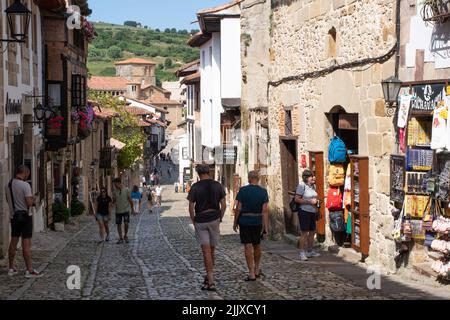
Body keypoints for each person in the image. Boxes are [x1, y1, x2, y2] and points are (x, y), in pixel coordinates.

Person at [187, 164, 226, 291]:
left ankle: (211, 281)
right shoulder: (217, 185)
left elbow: (191, 207)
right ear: (209, 172)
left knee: (206, 252)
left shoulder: (195, 187)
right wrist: (220, 217)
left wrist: (194, 221)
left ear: (198, 174)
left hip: (201, 220)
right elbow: (224, 205)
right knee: (212, 251)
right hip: (214, 218)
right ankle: (209, 277)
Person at [5, 165, 42, 278]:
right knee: (26, 245)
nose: (27, 176)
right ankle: (29, 270)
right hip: (25, 217)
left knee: (13, 242)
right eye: (28, 174)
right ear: (25, 173)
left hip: (14, 216)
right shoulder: (25, 185)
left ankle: (11, 268)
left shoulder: (8, 185)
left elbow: (8, 200)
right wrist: (34, 200)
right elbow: (29, 203)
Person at [233, 171, 269, 281]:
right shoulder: (263, 192)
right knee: (257, 245)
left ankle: (251, 273)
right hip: (257, 221)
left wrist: (235, 222)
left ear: (249, 179)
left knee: (247, 246)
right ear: (258, 179)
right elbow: (265, 210)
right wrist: (265, 227)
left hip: (245, 221)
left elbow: (238, 208)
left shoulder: (243, 190)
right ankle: (257, 269)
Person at [295, 170, 321, 261]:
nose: (313, 177)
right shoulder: (302, 186)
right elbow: (297, 199)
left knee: (313, 232)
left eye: (313, 176)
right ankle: (302, 253)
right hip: (304, 211)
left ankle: (310, 251)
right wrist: (309, 201)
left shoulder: (313, 186)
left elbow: (315, 198)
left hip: (313, 212)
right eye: (311, 176)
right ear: (306, 178)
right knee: (305, 233)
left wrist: (317, 205)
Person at [112, 178, 135, 244]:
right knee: (118, 224)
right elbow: (114, 201)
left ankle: (125, 235)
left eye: (115, 184)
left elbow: (130, 200)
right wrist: (112, 203)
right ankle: (120, 237)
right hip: (118, 211)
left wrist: (132, 209)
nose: (114, 185)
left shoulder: (126, 190)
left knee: (126, 223)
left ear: (118, 183)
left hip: (126, 210)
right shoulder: (114, 192)